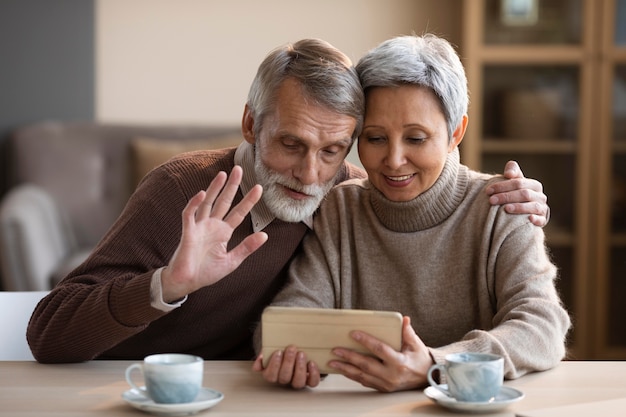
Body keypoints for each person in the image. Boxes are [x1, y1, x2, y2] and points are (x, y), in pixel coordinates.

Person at [27, 38, 550, 364]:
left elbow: (537, 320)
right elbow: (47, 335)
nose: (309, 173)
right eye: (291, 144)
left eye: (332, 150)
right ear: (252, 124)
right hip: (123, 388)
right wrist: (168, 284)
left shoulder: (343, 194)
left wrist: (523, 206)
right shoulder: (179, 190)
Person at [252, 34, 571, 392]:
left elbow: (542, 327)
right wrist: (290, 354)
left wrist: (436, 365)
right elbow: (289, 318)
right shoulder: (341, 208)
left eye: (416, 138)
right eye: (375, 138)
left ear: (455, 133)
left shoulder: (503, 206)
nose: (393, 160)